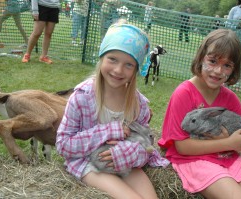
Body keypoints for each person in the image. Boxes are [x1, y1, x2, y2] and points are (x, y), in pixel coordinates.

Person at [158, 29, 241, 199]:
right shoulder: (184, 93)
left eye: (227, 65)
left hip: (229, 159)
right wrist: (228, 142)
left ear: (233, 70)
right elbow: (182, 147)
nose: (218, 71)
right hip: (195, 161)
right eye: (212, 61)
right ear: (201, 58)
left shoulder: (230, 98)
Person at [56, 21, 169, 199]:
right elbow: (64, 146)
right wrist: (109, 131)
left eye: (129, 65)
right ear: (102, 58)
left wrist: (131, 152)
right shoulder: (81, 98)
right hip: (90, 163)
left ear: (136, 70)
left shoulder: (138, 105)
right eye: (112, 59)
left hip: (125, 162)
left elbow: (146, 145)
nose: (118, 70)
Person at [21, 0, 60, 64]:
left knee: (48, 34)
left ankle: (43, 56)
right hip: (41, 7)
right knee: (37, 33)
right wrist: (35, 10)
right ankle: (27, 55)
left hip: (54, 8)